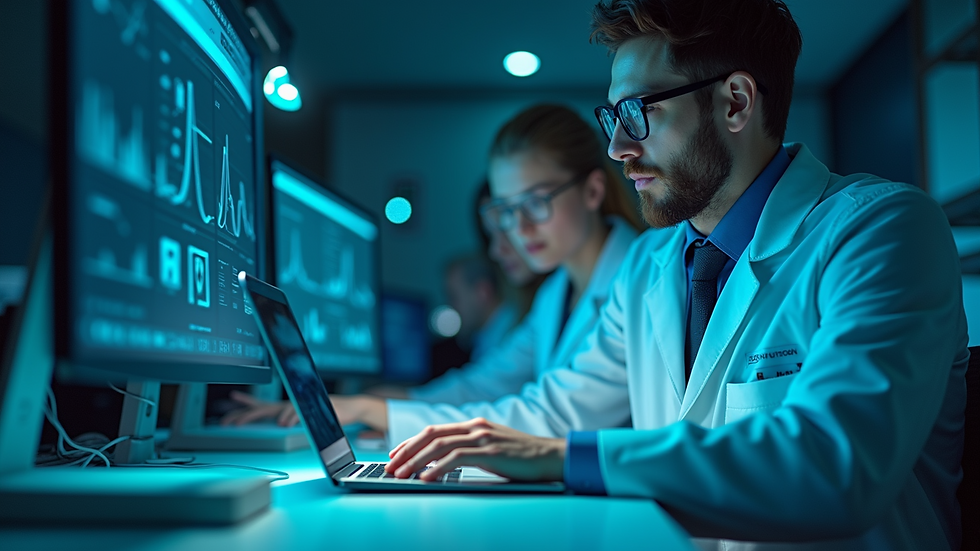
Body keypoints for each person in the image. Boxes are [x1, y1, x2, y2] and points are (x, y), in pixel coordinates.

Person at [382, 1, 971, 550]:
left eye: (638, 112)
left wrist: (566, 458)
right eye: (612, 116)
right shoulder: (647, 266)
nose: (617, 147)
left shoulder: (883, 229)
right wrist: (400, 430)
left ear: (735, 102)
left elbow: (836, 468)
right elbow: (557, 415)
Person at [222, 104, 646, 433]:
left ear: (593, 191)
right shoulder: (557, 292)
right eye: (505, 210)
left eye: (536, 202)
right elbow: (482, 386)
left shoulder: (640, 277)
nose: (519, 229)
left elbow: (549, 416)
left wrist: (377, 410)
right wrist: (387, 406)